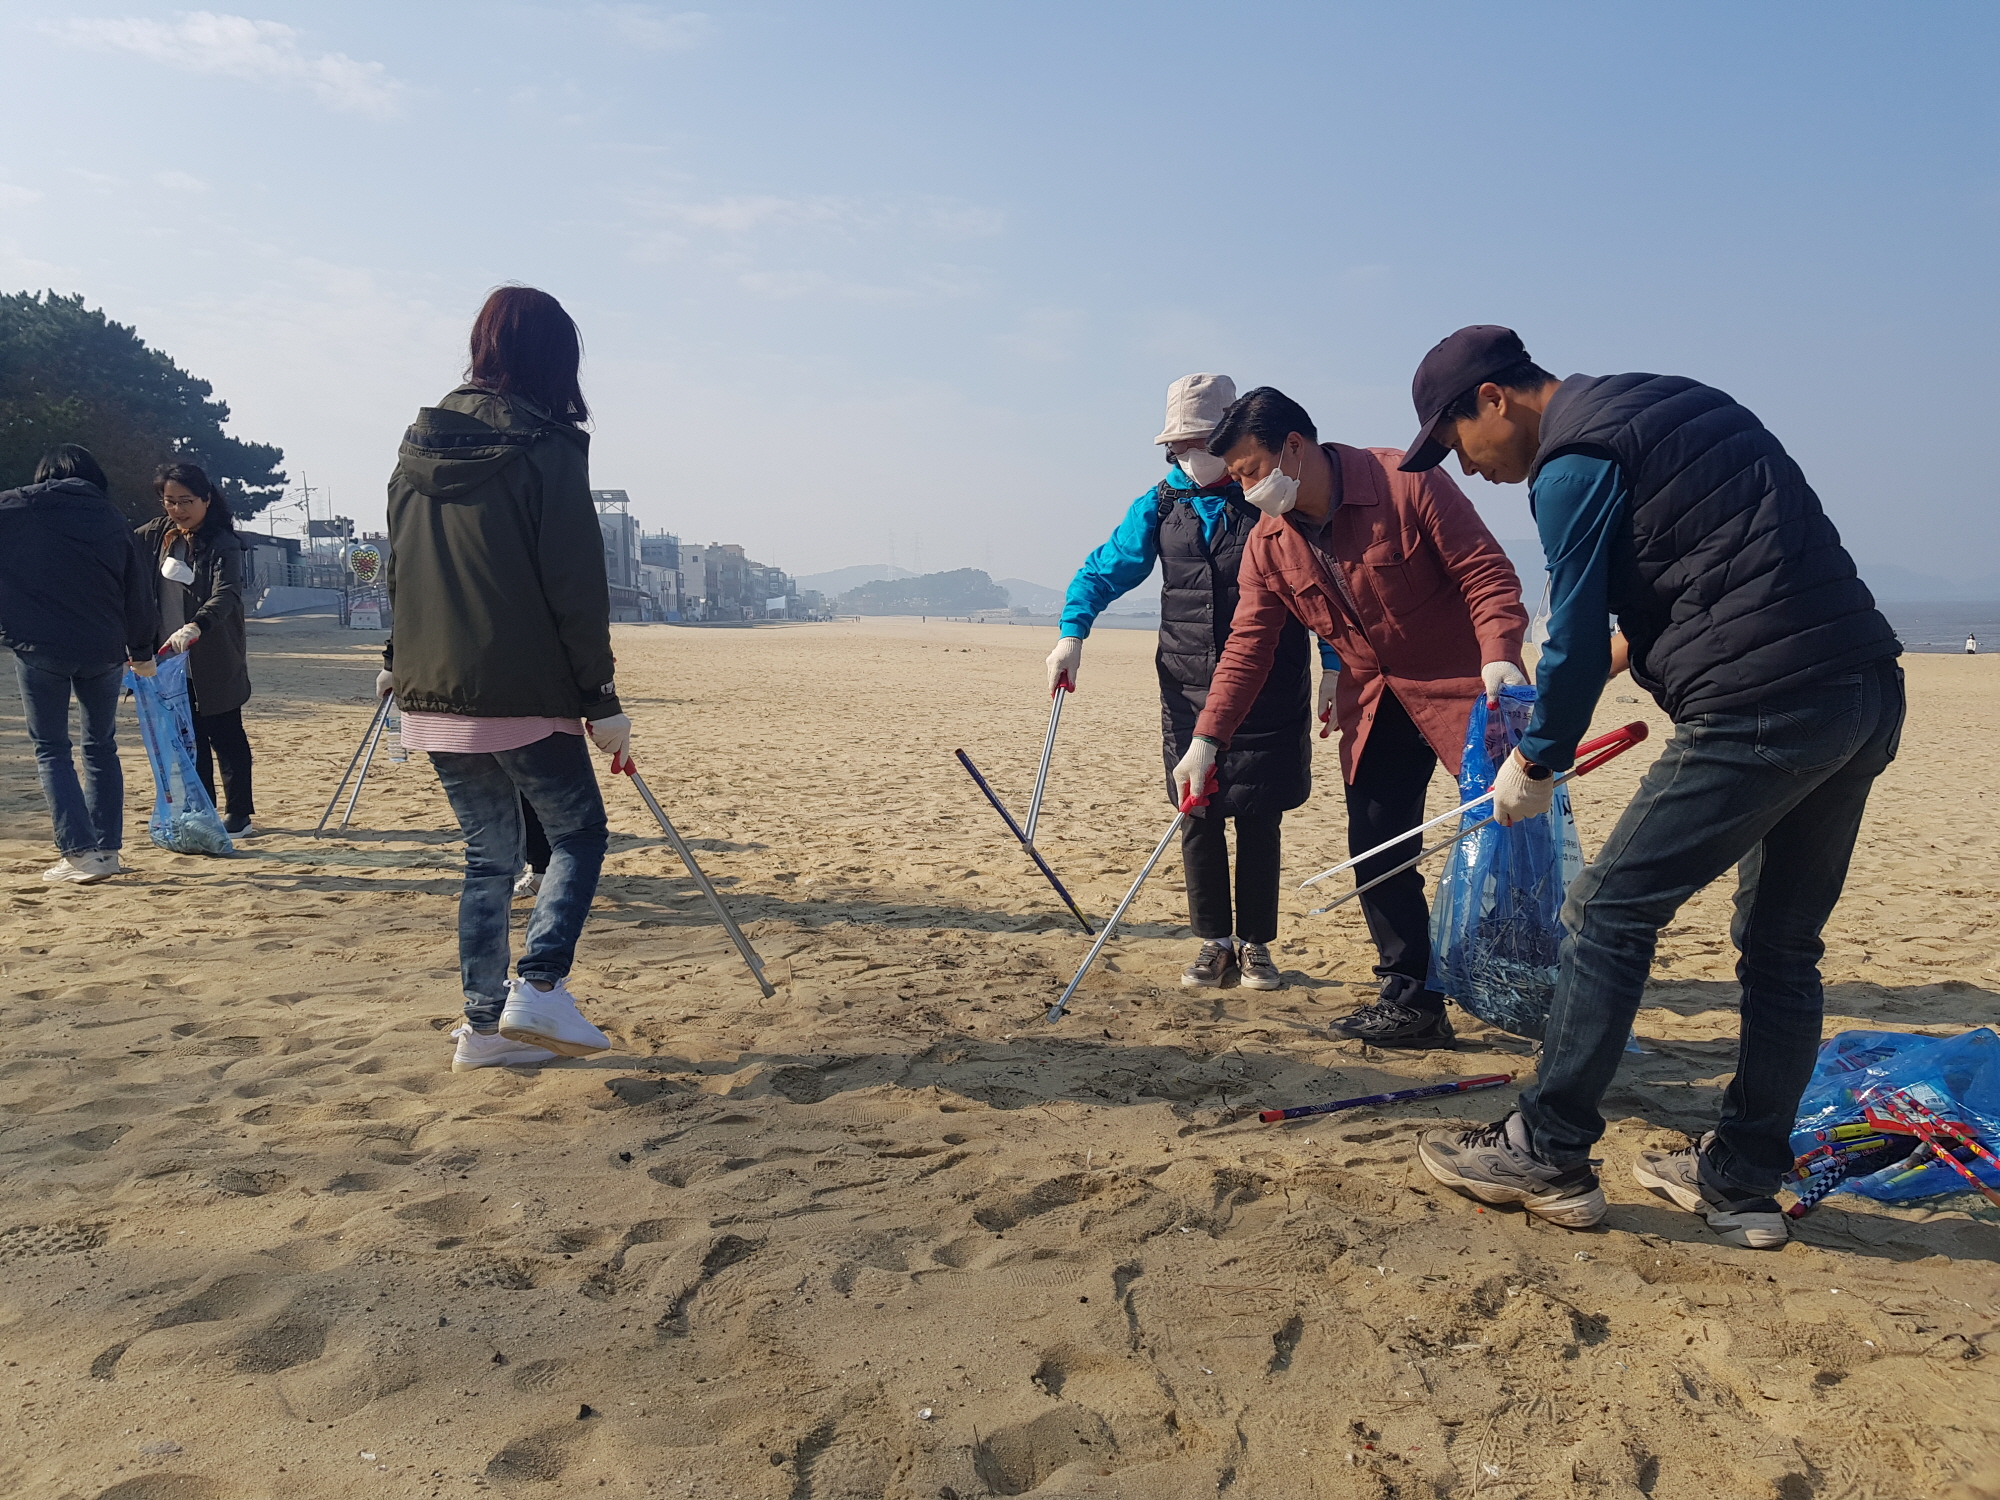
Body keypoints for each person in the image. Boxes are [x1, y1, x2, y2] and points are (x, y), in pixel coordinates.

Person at [1398, 326, 1903, 1248]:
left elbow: (1581, 641)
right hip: (1864, 688)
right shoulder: (1671, 402)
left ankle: (1546, 1148)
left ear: (1493, 401)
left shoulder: (1571, 461)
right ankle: (1742, 1182)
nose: (1464, 470)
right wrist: (1614, 655)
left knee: (1607, 911)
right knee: (1784, 947)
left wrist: (1536, 759)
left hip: (1762, 705)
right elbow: (1726, 576)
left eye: (1455, 442)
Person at [1174, 388, 1529, 1046]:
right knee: (1376, 848)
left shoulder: (1406, 483)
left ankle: (1540, 988)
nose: (1248, 489)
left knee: (1511, 837)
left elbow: (1485, 572)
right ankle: (1412, 997)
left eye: (1252, 471)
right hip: (1376, 697)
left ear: (1294, 448)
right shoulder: (1269, 544)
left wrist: (1500, 656)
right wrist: (1206, 738)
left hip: (1469, 688)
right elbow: (1248, 648)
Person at [382, 284, 632, 1072]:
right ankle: (541, 984)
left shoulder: (415, 446)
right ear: (556, 359)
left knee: (488, 855)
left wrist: (396, 662)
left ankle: (483, 1031)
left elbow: (398, 568)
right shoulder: (546, 446)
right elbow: (574, 584)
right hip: (521, 688)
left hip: (431, 690)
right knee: (578, 832)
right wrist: (601, 699)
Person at [1048, 374, 1328, 991]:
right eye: (1178, 445)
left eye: (1200, 442)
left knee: (1259, 812)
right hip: (1185, 681)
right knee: (1195, 810)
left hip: (1269, 679)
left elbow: (1319, 579)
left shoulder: (1268, 493)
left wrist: (1333, 664)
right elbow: (1107, 567)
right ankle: (1214, 942)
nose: (1189, 456)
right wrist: (1073, 632)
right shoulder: (1161, 502)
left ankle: (1255, 943)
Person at [0, 445, 157, 882]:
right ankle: (106, 851)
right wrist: (141, 650)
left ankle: (79, 854)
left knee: (52, 750)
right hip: (106, 649)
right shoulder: (111, 519)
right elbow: (138, 588)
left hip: (41, 646)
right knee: (100, 747)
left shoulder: (17, 506)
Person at [136, 463, 256, 835]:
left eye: (186, 501)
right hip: (168, 659)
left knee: (225, 732)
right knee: (187, 739)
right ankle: (201, 807)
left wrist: (196, 625)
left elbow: (227, 593)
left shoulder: (222, 541)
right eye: (169, 501)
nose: (177, 510)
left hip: (213, 652)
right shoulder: (156, 536)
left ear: (206, 498)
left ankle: (239, 813)